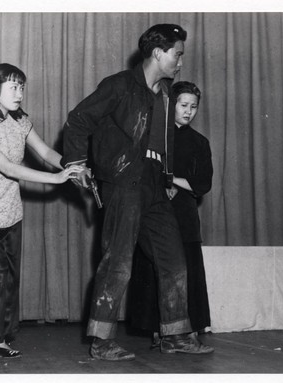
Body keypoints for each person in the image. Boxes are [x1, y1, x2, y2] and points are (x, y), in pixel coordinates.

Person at [61, 24, 214, 361]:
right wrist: (77, 164)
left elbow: (163, 142)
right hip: (124, 182)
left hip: (156, 184)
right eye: (178, 54)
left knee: (173, 260)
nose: (180, 62)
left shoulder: (165, 92)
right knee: (118, 263)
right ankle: (101, 342)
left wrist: (169, 178)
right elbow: (77, 120)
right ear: (158, 53)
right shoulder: (119, 85)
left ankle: (174, 334)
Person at [0, 63, 83, 361]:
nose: (19, 93)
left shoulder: (20, 122)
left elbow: (46, 153)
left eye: (21, 87)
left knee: (8, 278)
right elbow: (8, 167)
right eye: (12, 87)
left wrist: (73, 166)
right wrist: (55, 179)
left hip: (10, 210)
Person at [128, 81, 213, 348]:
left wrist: (171, 180)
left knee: (187, 270)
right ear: (170, 105)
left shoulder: (200, 142)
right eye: (183, 105)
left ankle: (187, 331)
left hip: (184, 214)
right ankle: (157, 332)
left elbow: (202, 185)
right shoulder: (153, 135)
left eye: (194, 107)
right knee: (155, 268)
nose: (188, 112)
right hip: (153, 210)